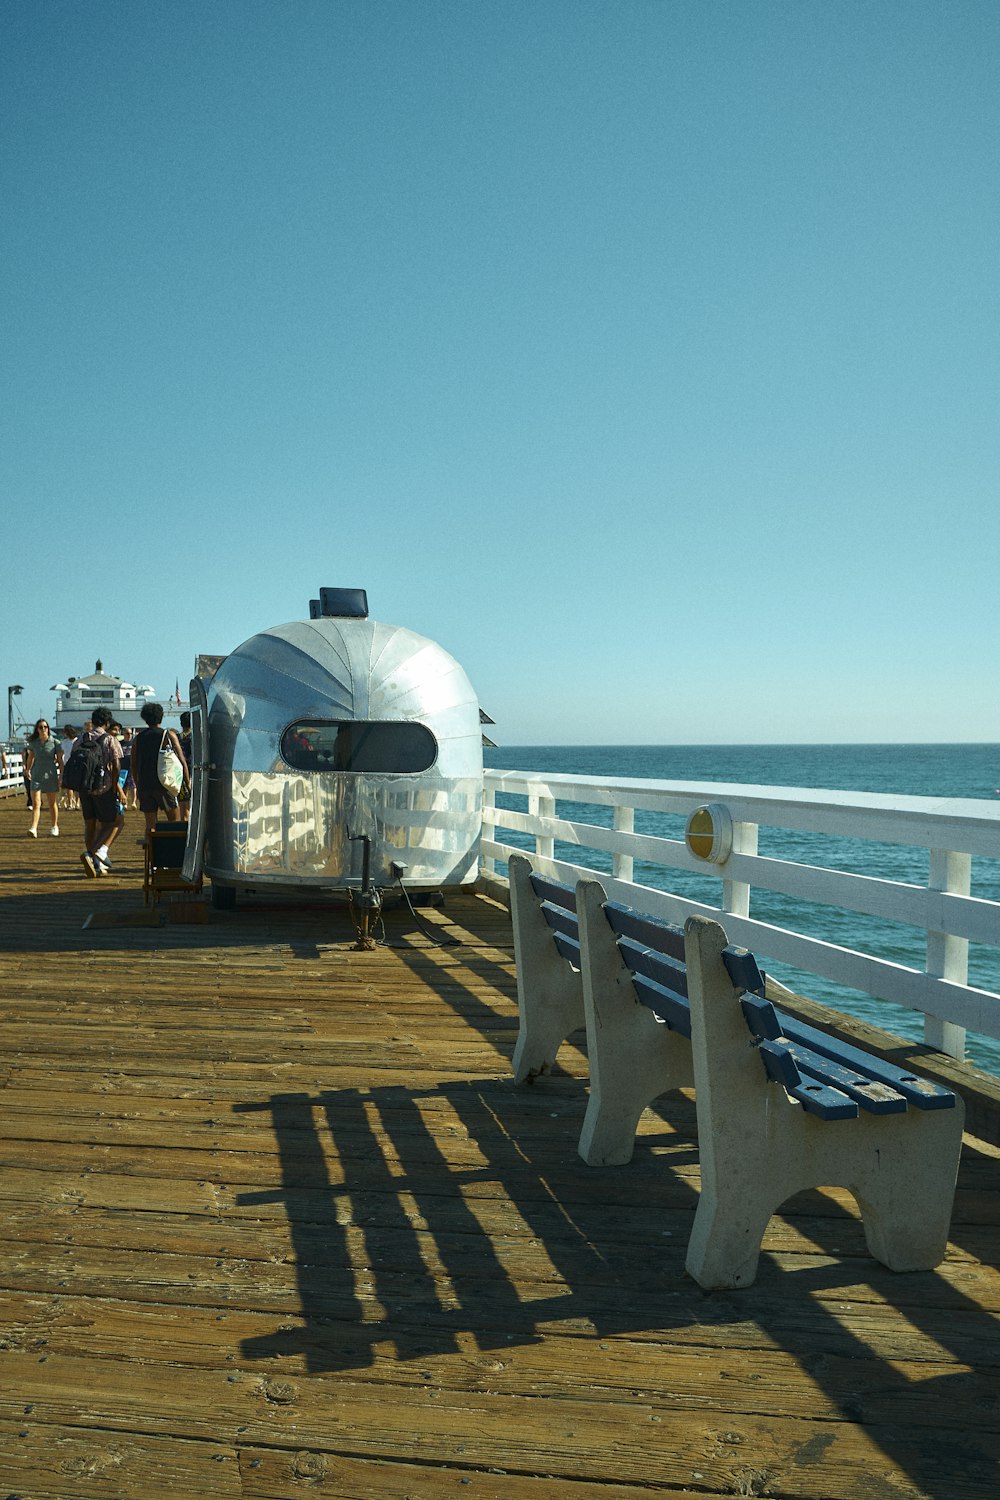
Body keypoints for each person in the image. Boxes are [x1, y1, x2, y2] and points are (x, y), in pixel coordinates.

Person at [131, 702, 189, 840]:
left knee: (150, 825)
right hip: (164, 784)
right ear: (161, 717)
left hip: (145, 785)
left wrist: (138, 786)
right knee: (173, 822)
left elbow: (134, 764)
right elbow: (182, 761)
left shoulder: (138, 738)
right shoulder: (168, 735)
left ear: (145, 718)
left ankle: (151, 856)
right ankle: (172, 855)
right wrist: (187, 782)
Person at [78, 706, 124, 877]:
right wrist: (114, 784)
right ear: (107, 722)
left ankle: (94, 864)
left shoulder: (82, 738)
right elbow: (117, 764)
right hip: (103, 787)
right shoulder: (109, 739)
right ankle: (92, 854)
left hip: (84, 788)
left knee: (90, 824)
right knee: (112, 822)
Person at [25, 719, 63, 837]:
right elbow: (31, 758)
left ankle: (54, 826)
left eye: (45, 727)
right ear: (37, 729)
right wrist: (28, 770)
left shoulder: (55, 742)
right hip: (37, 775)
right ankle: (34, 828)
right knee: (36, 803)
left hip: (50, 775)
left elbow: (60, 761)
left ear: (48, 728)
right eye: (40, 727)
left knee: (52, 803)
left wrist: (61, 776)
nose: (43, 729)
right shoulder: (34, 743)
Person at [177, 711, 193, 822]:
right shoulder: (197, 737)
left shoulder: (176, 738)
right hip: (195, 773)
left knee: (184, 808)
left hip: (179, 775)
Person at [60, 725, 80, 809]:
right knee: (76, 786)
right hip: (76, 764)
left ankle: (70, 803)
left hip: (68, 764)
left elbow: (61, 754)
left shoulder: (64, 742)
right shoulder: (78, 741)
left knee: (69, 786)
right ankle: (76, 803)